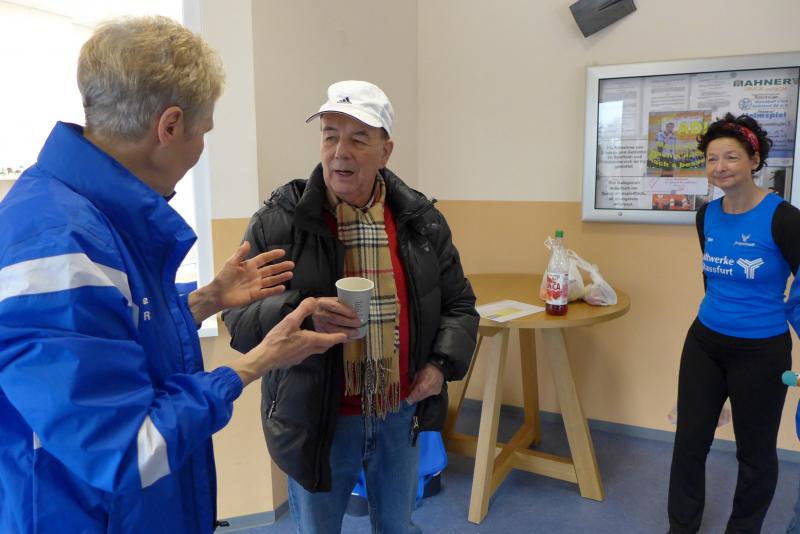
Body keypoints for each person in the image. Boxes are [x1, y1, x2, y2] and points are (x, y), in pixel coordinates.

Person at [0, 17, 346, 534]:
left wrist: (206, 300)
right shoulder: (59, 248)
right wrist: (256, 363)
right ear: (169, 126)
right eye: (203, 133)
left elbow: (113, 332)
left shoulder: (88, 219)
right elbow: (128, 450)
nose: (200, 149)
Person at [223, 80, 479, 533]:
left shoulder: (420, 222)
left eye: (359, 138)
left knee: (397, 527)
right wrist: (300, 312)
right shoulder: (280, 222)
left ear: (385, 151)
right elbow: (239, 323)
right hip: (316, 419)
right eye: (330, 135)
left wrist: (440, 366)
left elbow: (460, 305)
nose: (340, 151)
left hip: (399, 410)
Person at [667, 113, 800, 533]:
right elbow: (712, 277)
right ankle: (681, 527)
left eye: (731, 156)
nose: (720, 166)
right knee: (690, 441)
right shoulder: (706, 215)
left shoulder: (785, 219)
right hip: (705, 342)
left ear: (754, 159)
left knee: (755, 453)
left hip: (762, 350)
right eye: (711, 159)